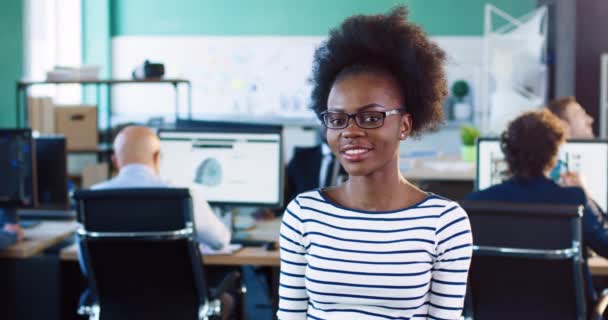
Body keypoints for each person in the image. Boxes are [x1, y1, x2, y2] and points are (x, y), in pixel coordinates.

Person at [278, 7, 472, 320]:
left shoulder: (444, 223)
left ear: (405, 125)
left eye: (370, 117)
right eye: (337, 119)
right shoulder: (303, 214)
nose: (350, 132)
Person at [465, 109, 608, 306]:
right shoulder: (573, 199)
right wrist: (586, 194)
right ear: (554, 154)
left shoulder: (476, 203)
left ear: (508, 154)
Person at [92, 125, 231, 250]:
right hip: (174, 278)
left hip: (113, 278)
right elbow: (219, 241)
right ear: (157, 157)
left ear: (115, 161)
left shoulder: (92, 198)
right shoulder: (182, 195)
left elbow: (86, 258)